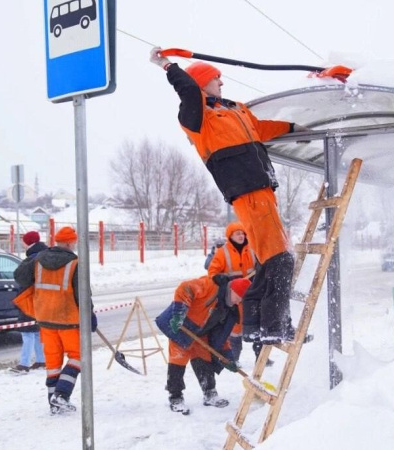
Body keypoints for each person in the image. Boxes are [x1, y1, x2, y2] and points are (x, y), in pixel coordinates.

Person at [150, 47, 307, 344]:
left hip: (264, 189)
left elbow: (260, 128)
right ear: (200, 83)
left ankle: (257, 325)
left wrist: (292, 128)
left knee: (268, 261)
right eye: (215, 78)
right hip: (247, 191)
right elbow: (187, 90)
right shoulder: (197, 117)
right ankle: (274, 325)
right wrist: (167, 65)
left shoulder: (236, 108)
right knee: (281, 260)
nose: (221, 83)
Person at [13, 226, 98, 415]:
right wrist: (90, 315)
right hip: (67, 319)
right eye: (74, 243)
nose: (75, 245)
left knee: (53, 363)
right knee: (78, 357)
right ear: (69, 243)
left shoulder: (39, 259)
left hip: (44, 319)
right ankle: (61, 395)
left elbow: (19, 277)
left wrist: (31, 259)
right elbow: (83, 294)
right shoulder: (75, 263)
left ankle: (54, 404)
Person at [155, 276, 251, 415]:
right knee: (178, 360)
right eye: (239, 296)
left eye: (242, 298)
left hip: (201, 334)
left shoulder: (229, 310)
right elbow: (185, 288)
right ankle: (175, 397)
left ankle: (210, 393)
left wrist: (228, 359)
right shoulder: (210, 286)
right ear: (232, 289)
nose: (239, 300)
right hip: (182, 327)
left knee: (204, 360)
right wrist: (178, 315)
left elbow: (222, 337)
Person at [206, 222, 271, 366]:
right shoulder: (223, 252)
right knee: (235, 328)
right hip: (234, 296)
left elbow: (263, 264)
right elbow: (212, 271)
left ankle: (261, 357)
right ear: (230, 236)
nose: (241, 236)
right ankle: (234, 357)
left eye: (242, 233)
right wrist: (218, 277)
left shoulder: (253, 249)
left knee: (256, 324)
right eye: (238, 234)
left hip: (252, 294)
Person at [9, 231, 48, 374]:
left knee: (27, 332)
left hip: (30, 298)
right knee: (36, 331)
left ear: (28, 243)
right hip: (41, 298)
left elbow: (21, 277)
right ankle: (41, 360)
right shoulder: (45, 255)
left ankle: (24, 364)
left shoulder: (32, 258)